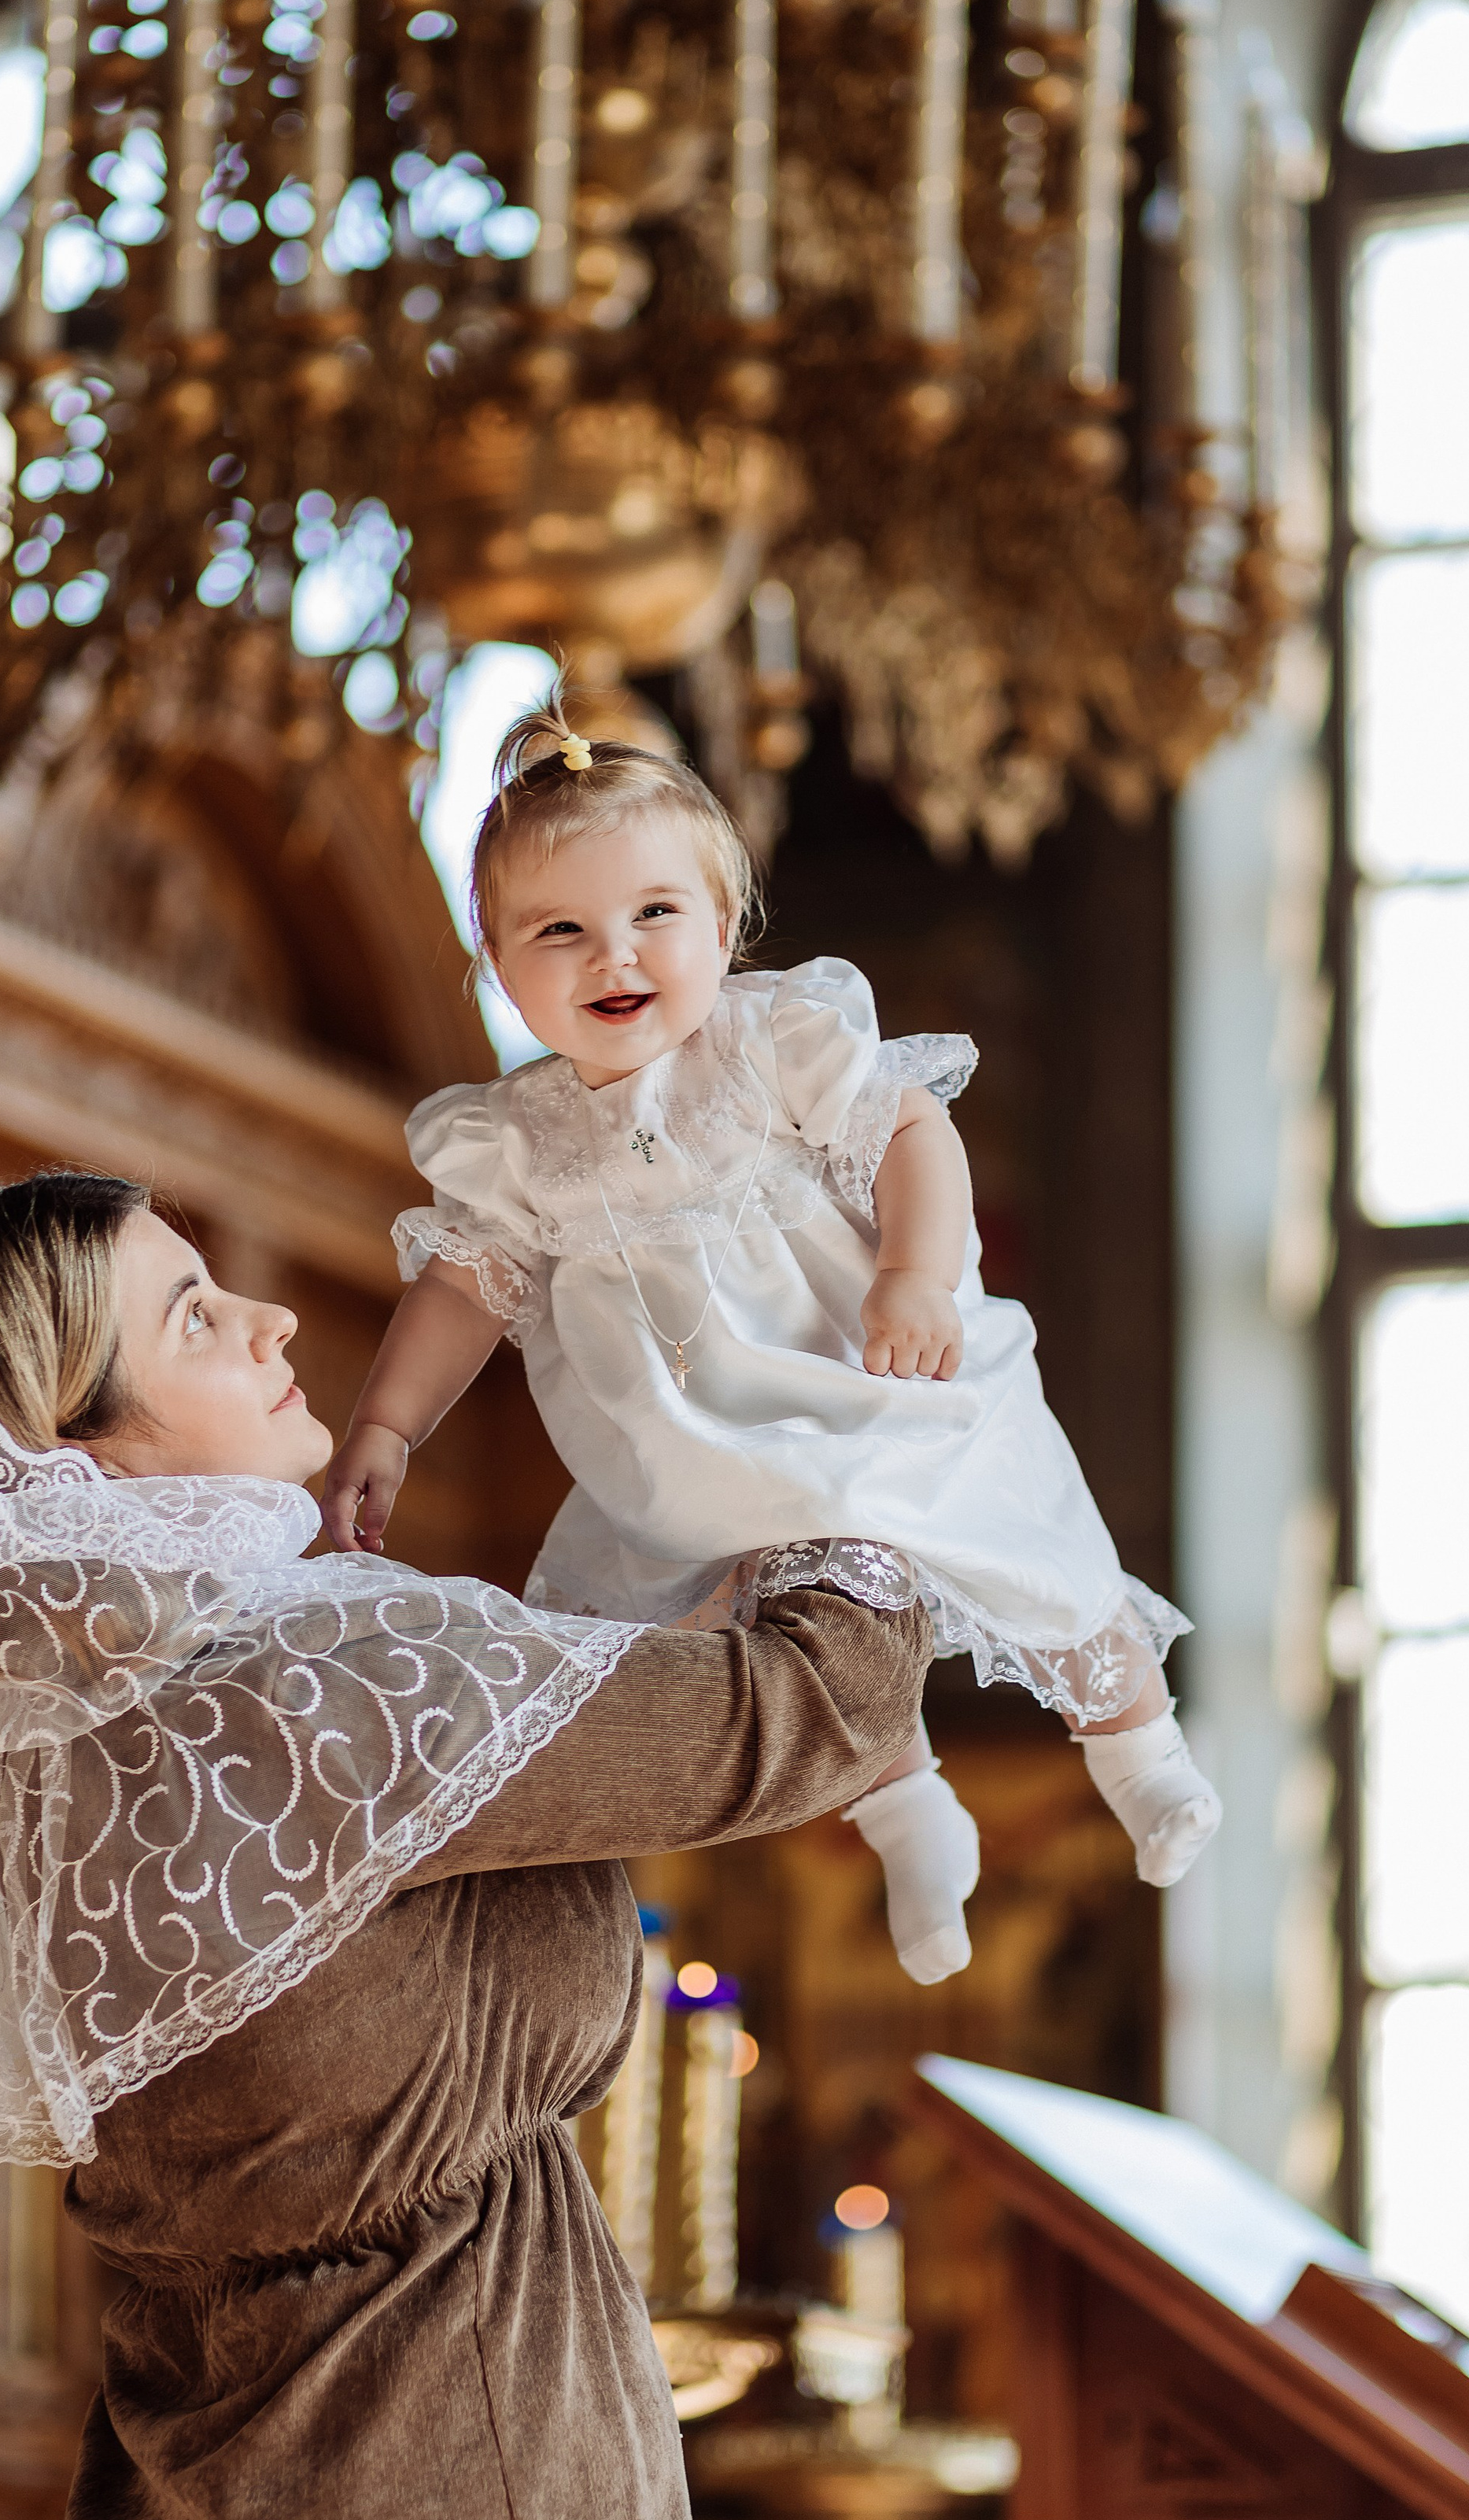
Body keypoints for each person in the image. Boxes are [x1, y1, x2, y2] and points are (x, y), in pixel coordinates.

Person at [0, 1168, 932, 2520]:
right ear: (74, 1450)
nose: (267, 1317)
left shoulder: (62, 1765)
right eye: (193, 1314)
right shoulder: (310, 1676)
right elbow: (816, 1706)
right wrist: (843, 1398)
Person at [324, 707, 1221, 1985]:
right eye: (559, 930)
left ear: (724, 917)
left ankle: (1142, 1753)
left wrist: (913, 1271)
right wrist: (385, 1424)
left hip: (857, 1367)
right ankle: (910, 1814)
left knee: (1011, 1524)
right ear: (496, 961)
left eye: (653, 916)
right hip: (697, 1441)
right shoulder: (515, 1139)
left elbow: (913, 1131)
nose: (611, 955)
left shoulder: (767, 1041)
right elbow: (467, 1285)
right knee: (788, 1635)